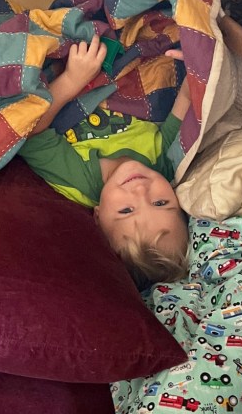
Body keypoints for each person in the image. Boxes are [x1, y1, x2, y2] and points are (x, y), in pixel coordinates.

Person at [18, 34, 191, 286]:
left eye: (126, 210)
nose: (140, 190)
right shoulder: (163, 165)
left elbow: (28, 131)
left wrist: (72, 79)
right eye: (160, 202)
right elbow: (186, 99)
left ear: (98, 216)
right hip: (129, 60)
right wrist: (197, 67)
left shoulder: (79, 179)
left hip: (73, 74)